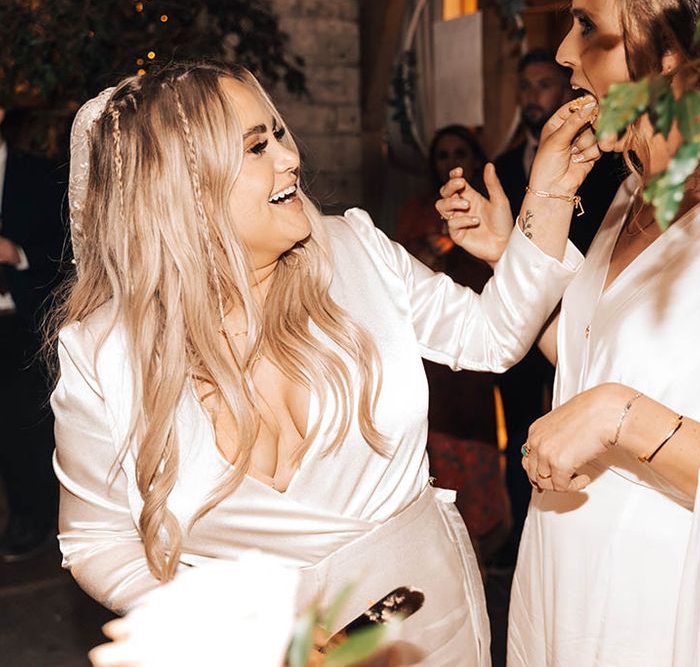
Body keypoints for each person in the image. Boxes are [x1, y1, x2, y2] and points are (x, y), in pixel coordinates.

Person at [49, 61, 599, 664]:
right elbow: (97, 540)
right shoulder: (103, 352)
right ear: (184, 187)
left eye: (278, 135)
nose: (289, 159)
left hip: (420, 618)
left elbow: (491, 335)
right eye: (257, 147)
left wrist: (550, 191)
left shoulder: (355, 251)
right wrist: (220, 624)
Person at [437, 0, 700, 663]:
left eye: (588, 27)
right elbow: (601, 359)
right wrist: (511, 257)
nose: (562, 50)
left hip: (664, 607)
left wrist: (620, 418)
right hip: (568, 576)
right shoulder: (630, 195)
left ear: (674, 54)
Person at [493, 51, 626, 567]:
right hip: (528, 315)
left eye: (542, 85)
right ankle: (517, 515)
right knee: (525, 427)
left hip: (583, 305)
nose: (532, 96)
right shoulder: (504, 162)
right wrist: (497, 249)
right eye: (524, 86)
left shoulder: (610, 166)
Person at [396, 126, 509, 562]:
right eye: (442, 153)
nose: (450, 160)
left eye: (459, 152)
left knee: (480, 441)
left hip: (479, 345)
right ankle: (446, 547)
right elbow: (400, 270)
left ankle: (485, 541)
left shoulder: (486, 208)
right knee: (438, 447)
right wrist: (432, 244)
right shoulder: (417, 210)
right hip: (431, 357)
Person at [0, 107, 67, 561]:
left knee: (24, 430)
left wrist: (16, 253)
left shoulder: (38, 174)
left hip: (18, 322)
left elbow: (66, 248)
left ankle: (31, 518)